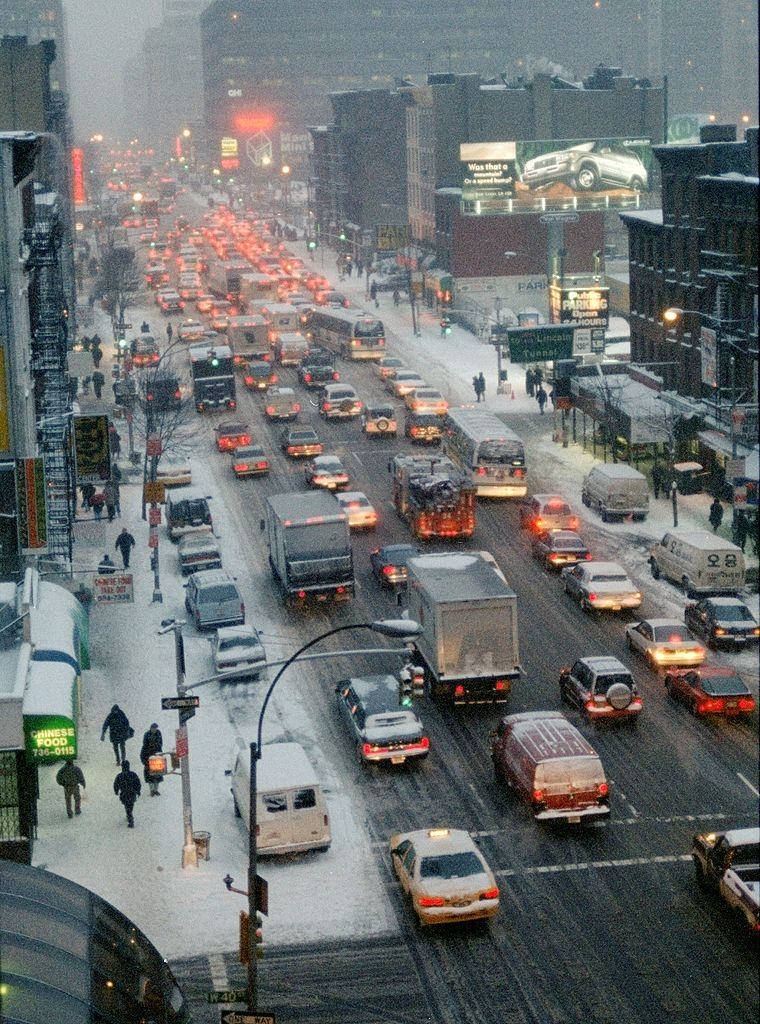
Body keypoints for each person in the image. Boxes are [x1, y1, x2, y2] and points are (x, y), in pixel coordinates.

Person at [113, 760, 141, 827]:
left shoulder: (119, 776)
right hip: (132, 793)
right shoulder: (133, 774)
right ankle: (129, 815)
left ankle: (130, 817)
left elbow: (115, 784)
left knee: (127, 806)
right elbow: (138, 783)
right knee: (131, 805)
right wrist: (138, 791)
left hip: (124, 794)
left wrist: (116, 791)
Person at [140, 723, 164, 796]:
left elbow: (160, 744)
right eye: (153, 728)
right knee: (150, 776)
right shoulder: (146, 744)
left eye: (155, 728)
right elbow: (143, 750)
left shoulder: (158, 734)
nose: (154, 730)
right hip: (149, 759)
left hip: (157, 758)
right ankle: (152, 790)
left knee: (157, 775)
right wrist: (144, 761)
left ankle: (155, 790)